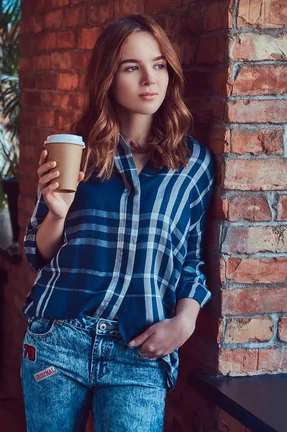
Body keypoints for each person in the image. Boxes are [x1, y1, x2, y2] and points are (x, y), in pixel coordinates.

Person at [21, 14, 214, 432]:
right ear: (109, 78)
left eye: (159, 65)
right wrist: (56, 212)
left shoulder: (193, 163)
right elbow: (40, 253)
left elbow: (192, 260)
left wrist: (184, 322)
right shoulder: (76, 153)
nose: (150, 78)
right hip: (60, 339)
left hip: (139, 348)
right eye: (132, 67)